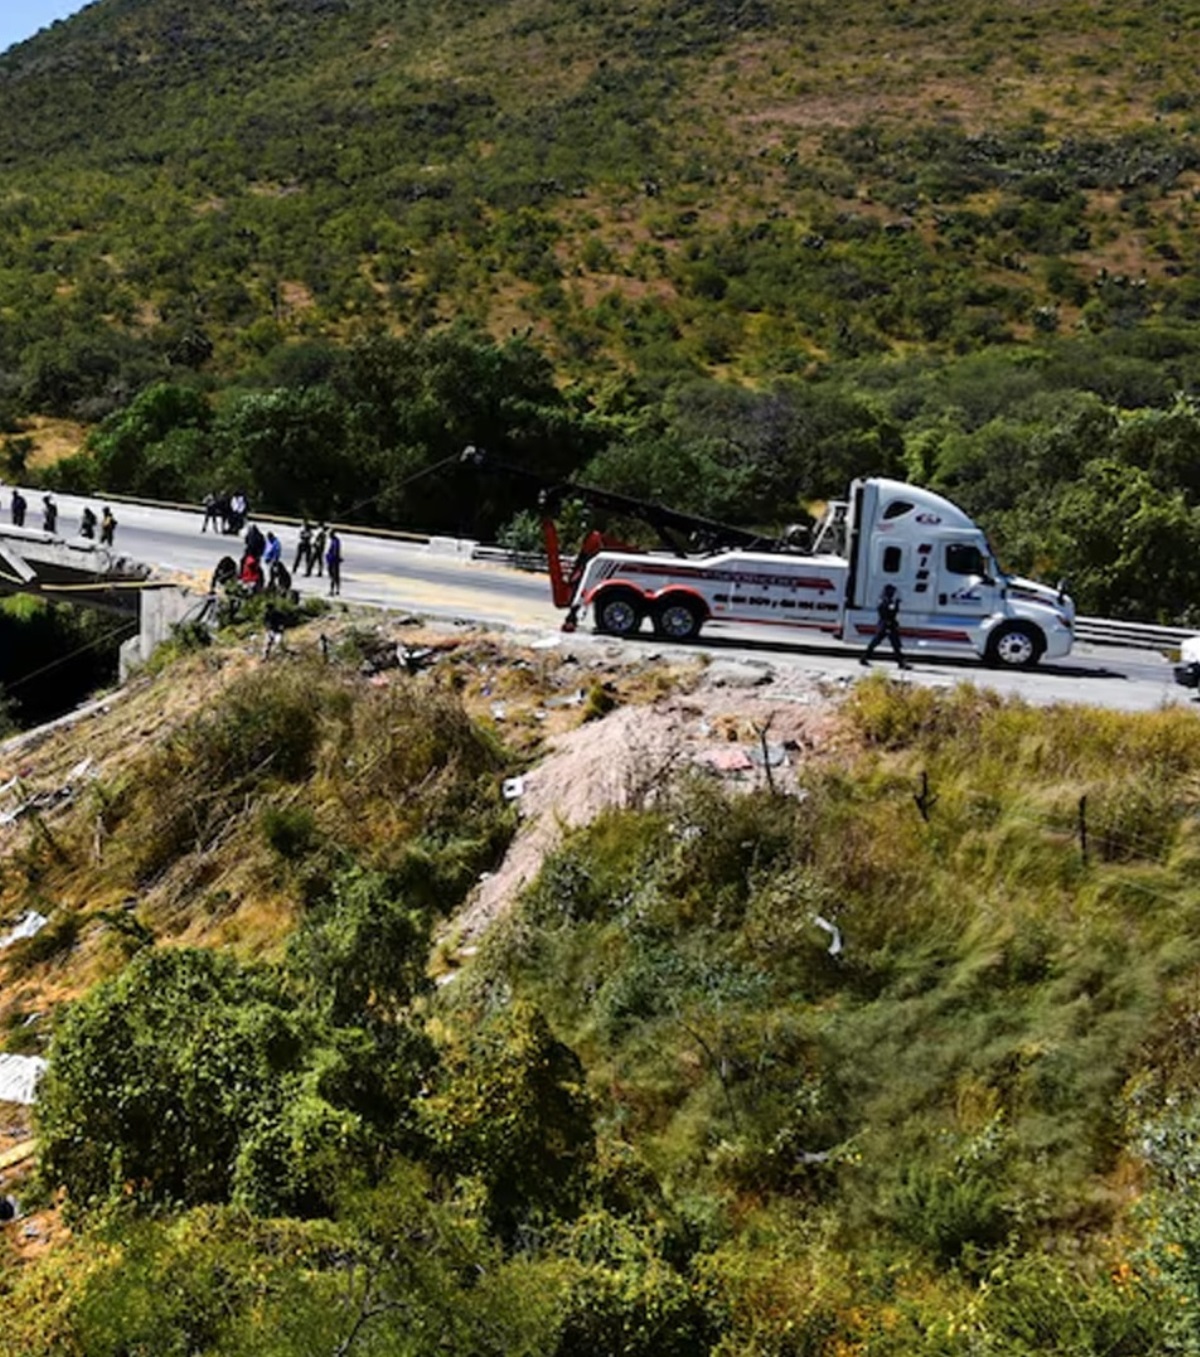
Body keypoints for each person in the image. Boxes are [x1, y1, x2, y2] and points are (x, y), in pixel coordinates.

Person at [860, 582, 910, 669]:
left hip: (887, 625)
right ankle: (864, 657)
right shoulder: (886, 602)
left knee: (894, 644)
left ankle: (901, 661)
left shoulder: (885, 601)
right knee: (888, 643)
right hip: (886, 625)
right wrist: (888, 624)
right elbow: (889, 613)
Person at [326, 529, 342, 596]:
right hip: (332, 560)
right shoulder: (333, 541)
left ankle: (332, 591)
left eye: (329, 534)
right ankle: (336, 590)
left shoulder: (336, 541)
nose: (328, 535)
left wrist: (334, 559)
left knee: (334, 576)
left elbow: (336, 552)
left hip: (333, 561)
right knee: (334, 576)